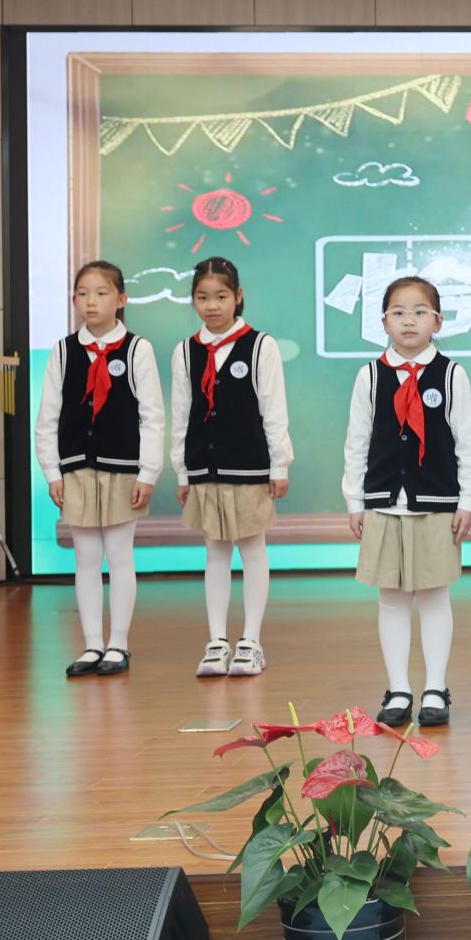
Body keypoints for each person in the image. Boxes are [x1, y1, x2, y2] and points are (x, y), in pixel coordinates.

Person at [342, 276, 471, 730]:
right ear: (383, 322)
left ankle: (435, 688)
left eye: (420, 312)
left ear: (437, 322)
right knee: (392, 598)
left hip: (437, 502)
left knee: (435, 596)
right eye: (398, 312)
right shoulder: (370, 375)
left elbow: (467, 443)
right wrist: (355, 500)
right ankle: (398, 688)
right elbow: (357, 442)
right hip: (383, 502)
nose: (409, 321)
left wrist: (468, 500)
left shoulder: (452, 375)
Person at [36, 260, 164, 677]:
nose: (90, 302)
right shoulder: (63, 351)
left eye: (101, 293)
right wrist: (52, 472)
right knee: (86, 558)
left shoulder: (137, 349)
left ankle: (118, 644)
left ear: (121, 299)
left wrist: (148, 473)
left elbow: (152, 416)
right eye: (83, 293)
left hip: (123, 469)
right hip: (76, 469)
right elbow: (48, 417)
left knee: (120, 556)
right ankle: (92, 644)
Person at [172, 256, 291, 678]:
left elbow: (273, 409)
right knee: (216, 552)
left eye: (221, 296)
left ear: (238, 296)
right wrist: (183, 471)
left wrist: (279, 465)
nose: (212, 306)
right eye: (202, 297)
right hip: (205, 467)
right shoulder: (186, 351)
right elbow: (181, 414)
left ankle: (251, 641)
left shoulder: (261, 346)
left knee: (252, 549)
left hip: (250, 466)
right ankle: (217, 641)